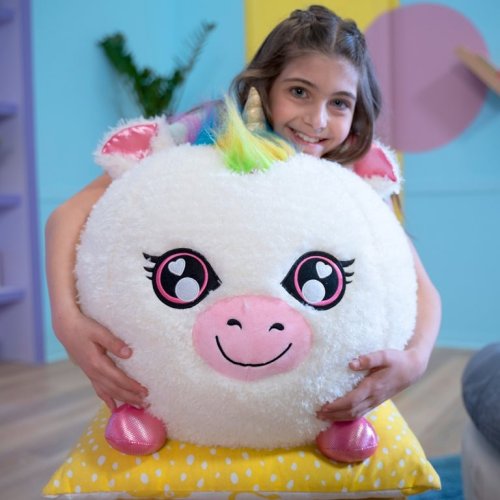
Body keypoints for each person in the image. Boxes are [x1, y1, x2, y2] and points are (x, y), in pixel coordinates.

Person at [45, 5, 441, 422]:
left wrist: (416, 360)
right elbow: (66, 215)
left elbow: (420, 285)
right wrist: (66, 321)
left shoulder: (352, 176)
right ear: (265, 87)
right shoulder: (201, 136)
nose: (317, 120)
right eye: (299, 92)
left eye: (340, 103)